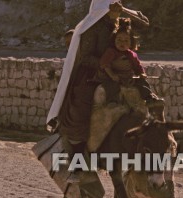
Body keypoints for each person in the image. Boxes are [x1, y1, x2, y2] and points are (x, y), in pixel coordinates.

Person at [46, 0, 149, 183]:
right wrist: (105, 66)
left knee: (143, 100)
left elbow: (144, 24)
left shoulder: (116, 24)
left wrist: (123, 11)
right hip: (91, 76)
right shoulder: (92, 28)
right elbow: (85, 57)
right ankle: (77, 166)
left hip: (118, 73)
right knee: (80, 112)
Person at [98, 18, 164, 108]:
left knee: (142, 83)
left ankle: (149, 98)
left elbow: (137, 66)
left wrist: (141, 73)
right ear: (114, 40)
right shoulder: (111, 52)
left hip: (128, 77)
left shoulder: (131, 54)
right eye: (119, 40)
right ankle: (112, 101)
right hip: (114, 77)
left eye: (126, 40)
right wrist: (112, 75)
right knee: (111, 86)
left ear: (131, 42)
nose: (122, 43)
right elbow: (105, 64)